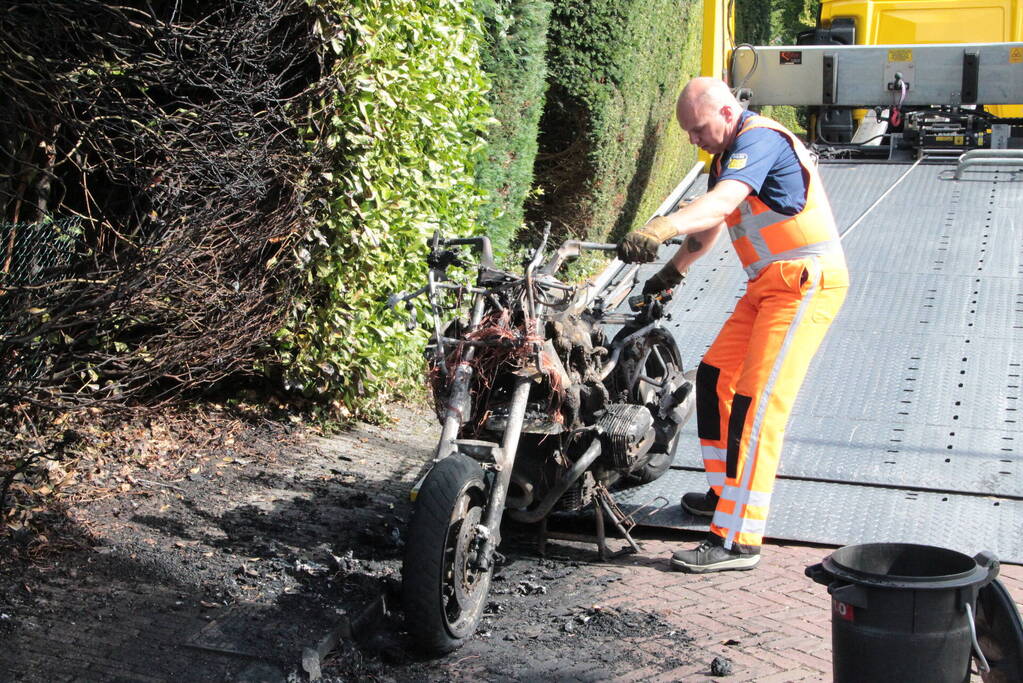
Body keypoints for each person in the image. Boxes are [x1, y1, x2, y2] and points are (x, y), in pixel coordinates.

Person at [617, 77, 849, 573]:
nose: (693, 140)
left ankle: (738, 538)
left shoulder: (759, 139)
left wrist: (662, 226)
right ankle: (726, 493)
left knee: (756, 406)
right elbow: (708, 230)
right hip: (768, 285)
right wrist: (669, 273)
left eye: (698, 129)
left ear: (726, 113)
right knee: (715, 377)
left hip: (805, 282)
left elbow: (722, 204)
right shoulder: (725, 157)